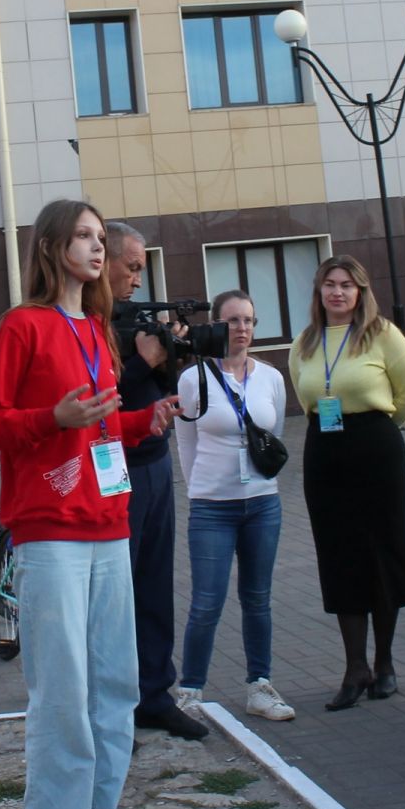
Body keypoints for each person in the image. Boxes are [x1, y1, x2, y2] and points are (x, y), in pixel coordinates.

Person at [0, 199, 182, 809]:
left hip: (107, 524)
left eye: (100, 237)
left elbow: (93, 424)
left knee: (115, 682)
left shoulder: (96, 328)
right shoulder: (23, 327)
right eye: (86, 237)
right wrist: (51, 418)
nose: (98, 249)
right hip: (51, 530)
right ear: (55, 245)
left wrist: (142, 422)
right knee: (62, 689)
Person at [288, 255, 405, 712]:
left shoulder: (382, 334)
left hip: (375, 449)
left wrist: (382, 429)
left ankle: (384, 663)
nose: (338, 292)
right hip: (325, 454)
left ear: (361, 291)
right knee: (339, 555)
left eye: (347, 284)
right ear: (318, 291)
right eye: (330, 284)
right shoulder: (304, 342)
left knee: (381, 552)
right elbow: (303, 393)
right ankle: (354, 668)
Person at [103, 221, 206, 741]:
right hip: (113, 471)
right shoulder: (91, 324)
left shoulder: (136, 321)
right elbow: (104, 397)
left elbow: (157, 388)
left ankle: (155, 695)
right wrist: (144, 360)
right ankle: (116, 707)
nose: (139, 280)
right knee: (116, 593)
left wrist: (169, 355)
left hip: (154, 462)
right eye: (134, 267)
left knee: (155, 583)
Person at [171, 290, 294, 722]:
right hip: (211, 508)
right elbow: (185, 442)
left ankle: (259, 685)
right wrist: (201, 488)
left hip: (262, 503)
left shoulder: (272, 378)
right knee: (206, 601)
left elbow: (272, 430)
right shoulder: (193, 378)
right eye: (233, 321)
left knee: (257, 598)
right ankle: (190, 690)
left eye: (249, 320)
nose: (242, 329)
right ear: (216, 327)